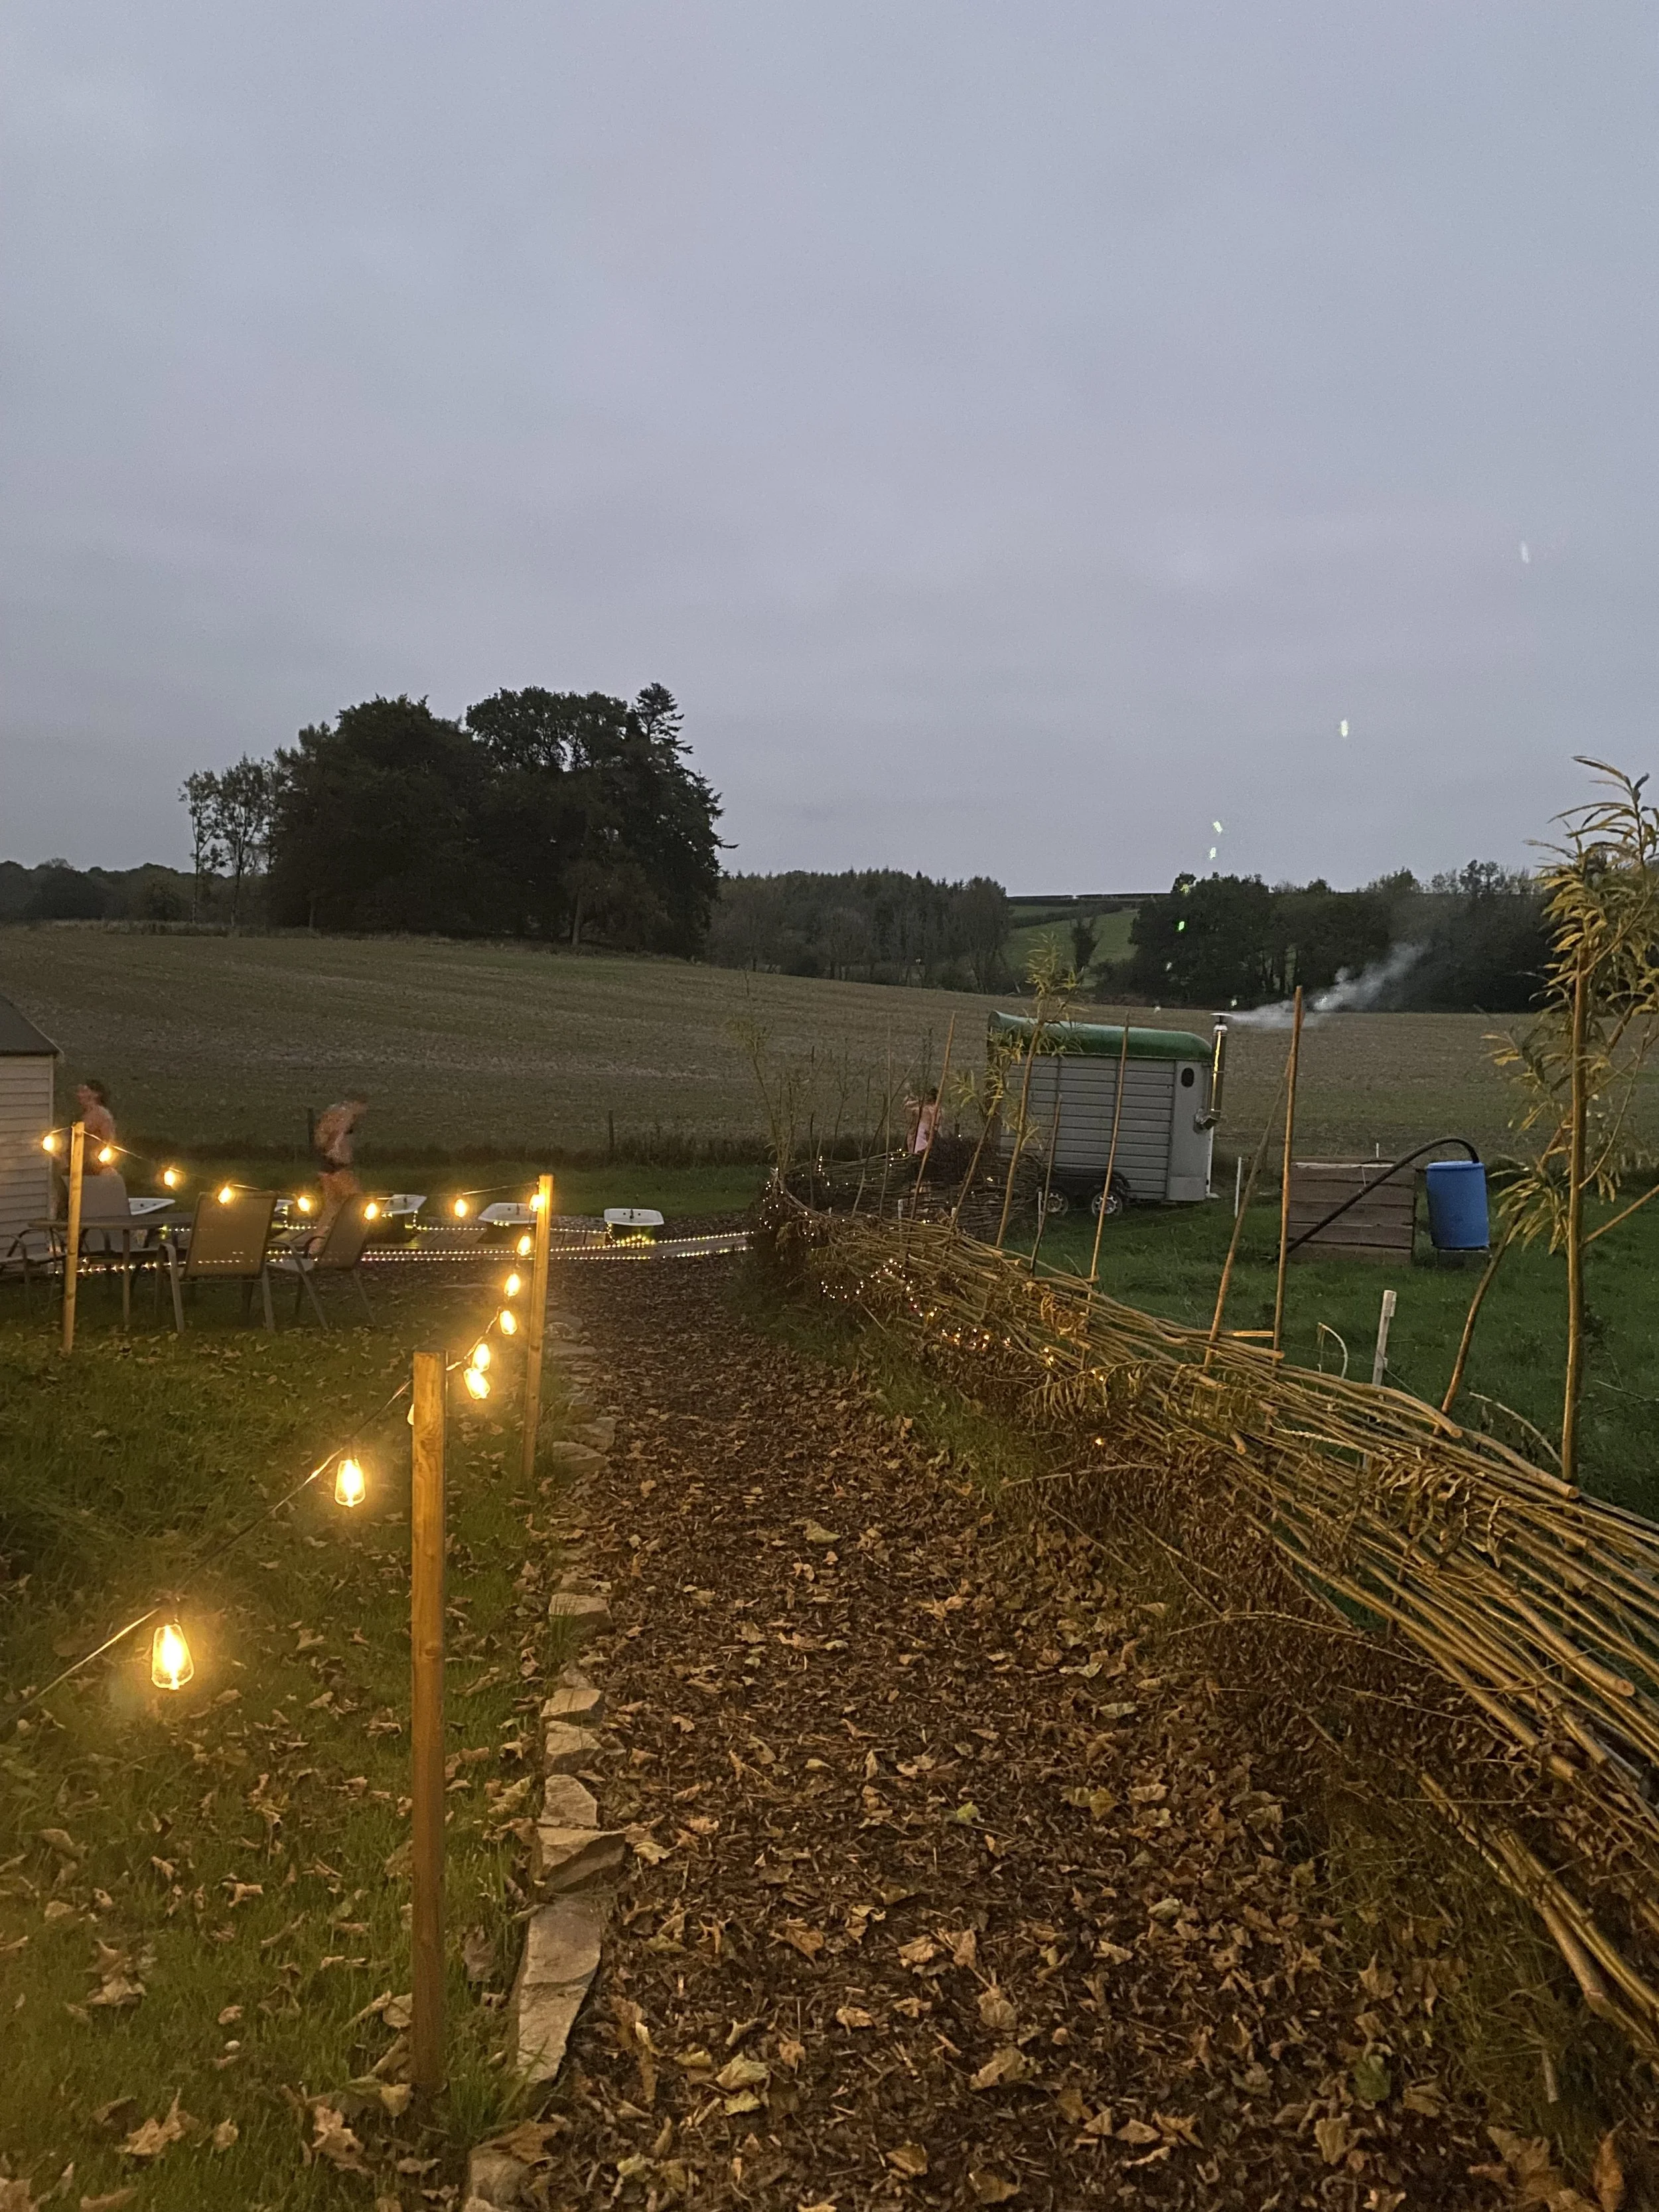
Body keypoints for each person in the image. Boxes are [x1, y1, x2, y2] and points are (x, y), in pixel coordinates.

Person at [313, 1095, 367, 1231]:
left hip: (324, 1164)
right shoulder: (347, 1114)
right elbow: (338, 1134)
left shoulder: (332, 1111)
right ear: (358, 1104)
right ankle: (355, 1235)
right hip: (337, 1164)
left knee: (331, 1206)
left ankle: (316, 1242)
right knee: (357, 1201)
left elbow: (320, 1136)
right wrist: (335, 1152)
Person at [76, 1079, 117, 1171]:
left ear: (96, 1094)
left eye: (84, 1091)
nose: (79, 1095)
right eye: (79, 1092)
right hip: (78, 1164)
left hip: (96, 1166)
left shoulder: (103, 1115)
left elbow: (110, 1141)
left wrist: (101, 1160)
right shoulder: (81, 1115)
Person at [909, 1086, 940, 1157]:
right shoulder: (924, 1108)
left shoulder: (934, 1109)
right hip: (922, 1129)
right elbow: (909, 1107)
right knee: (919, 1149)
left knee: (926, 1149)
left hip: (928, 1130)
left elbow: (936, 1121)